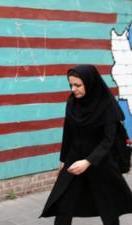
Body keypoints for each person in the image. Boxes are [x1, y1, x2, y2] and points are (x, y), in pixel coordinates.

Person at [40, 64, 132, 225]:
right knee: (64, 204)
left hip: (101, 162)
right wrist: (63, 160)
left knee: (108, 207)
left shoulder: (106, 105)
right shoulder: (72, 103)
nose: (74, 89)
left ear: (90, 83)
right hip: (75, 158)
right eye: (71, 85)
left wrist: (88, 161)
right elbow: (68, 132)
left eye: (78, 85)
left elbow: (108, 140)